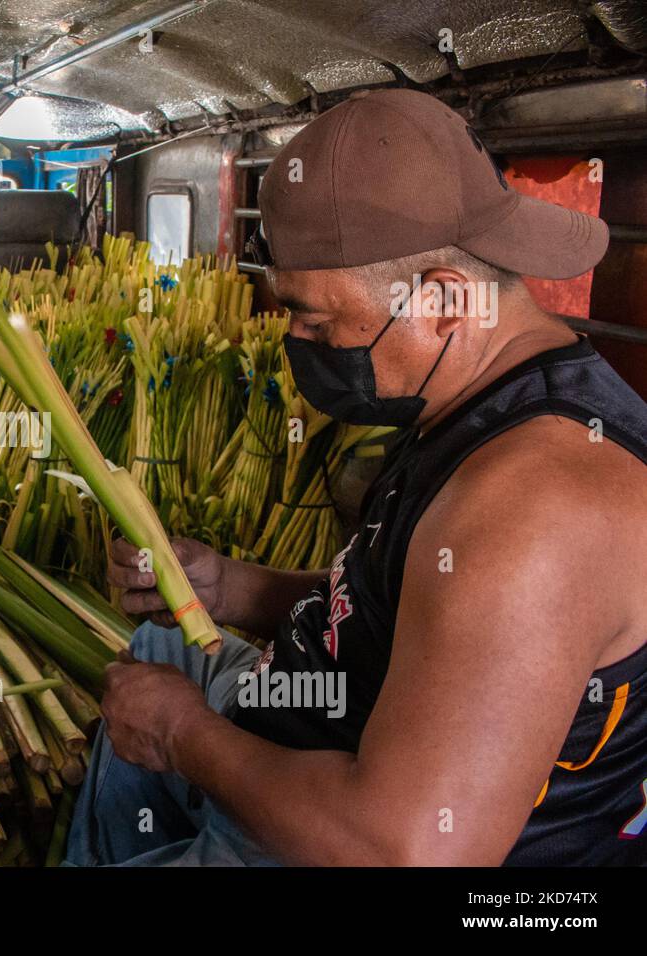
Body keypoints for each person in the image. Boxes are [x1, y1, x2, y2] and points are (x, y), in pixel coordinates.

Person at [66, 88, 647, 866]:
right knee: (158, 650)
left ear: (443, 300)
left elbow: (404, 850)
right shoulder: (474, 396)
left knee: (164, 696)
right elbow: (408, 605)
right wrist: (236, 590)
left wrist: (184, 736)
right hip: (323, 723)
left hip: (352, 835)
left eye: (315, 322)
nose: (296, 342)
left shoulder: (533, 504)